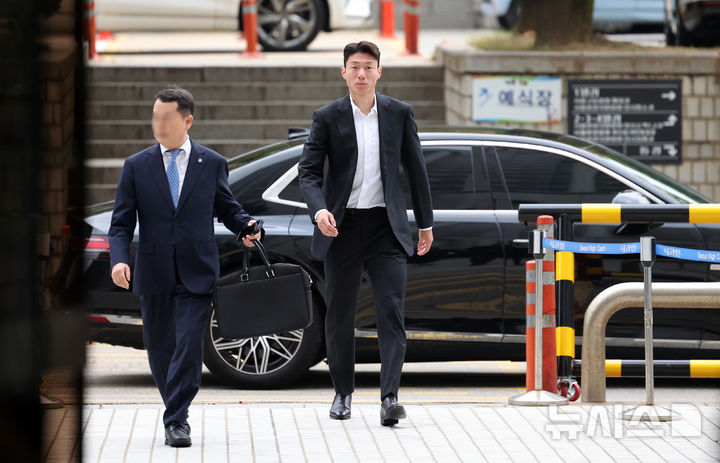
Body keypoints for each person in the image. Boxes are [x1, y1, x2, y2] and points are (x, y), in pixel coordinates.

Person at [108, 87, 260, 447]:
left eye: (166, 118)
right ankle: (174, 409)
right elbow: (120, 223)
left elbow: (227, 207)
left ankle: (177, 419)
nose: (158, 124)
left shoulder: (212, 163)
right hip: (153, 270)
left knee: (190, 344)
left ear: (187, 121)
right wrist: (117, 259)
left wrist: (247, 226)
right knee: (160, 348)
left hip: (197, 270)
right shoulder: (137, 166)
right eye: (155, 117)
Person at [298, 41, 434, 427]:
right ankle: (343, 393)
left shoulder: (398, 113)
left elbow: (416, 169)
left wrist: (425, 222)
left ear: (379, 72)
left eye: (368, 67)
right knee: (340, 314)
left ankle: (390, 397)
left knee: (391, 311)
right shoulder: (327, 117)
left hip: (386, 228)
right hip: (341, 227)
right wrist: (320, 210)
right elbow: (307, 172)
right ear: (343, 72)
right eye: (354, 67)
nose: (361, 73)